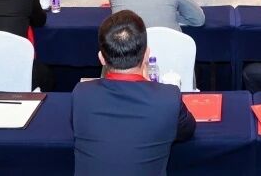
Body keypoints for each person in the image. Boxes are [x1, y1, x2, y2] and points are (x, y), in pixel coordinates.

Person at [72, 10, 196, 175]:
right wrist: (151, 84)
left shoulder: (81, 94)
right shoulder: (167, 98)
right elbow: (187, 130)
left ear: (101, 58)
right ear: (147, 55)